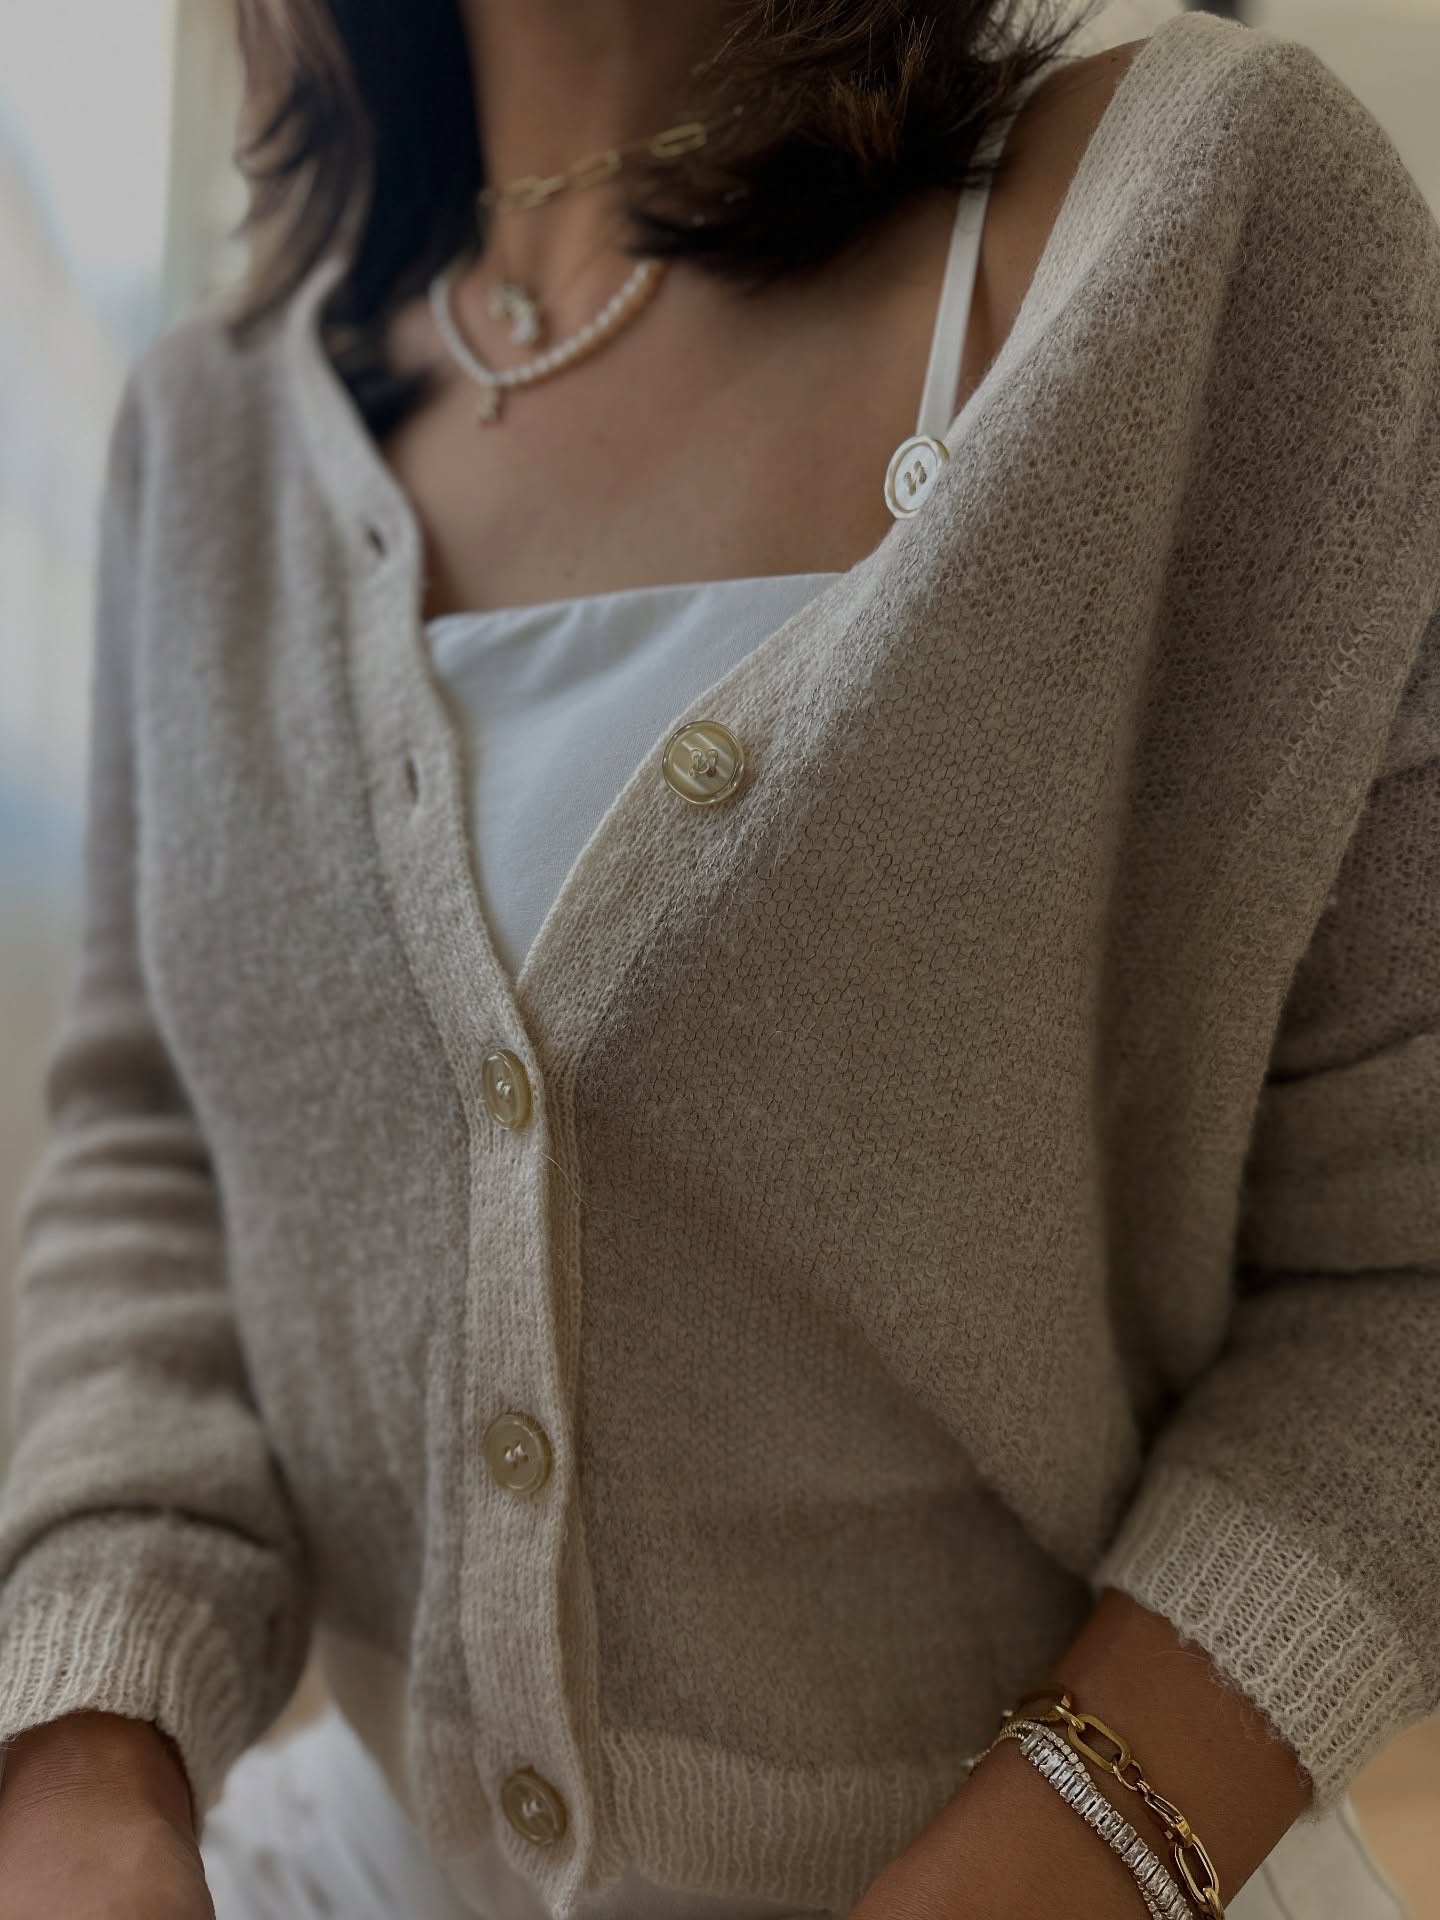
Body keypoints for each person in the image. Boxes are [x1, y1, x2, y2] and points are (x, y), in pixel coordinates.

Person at [0, 1, 1436, 1917]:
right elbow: (155, 1161)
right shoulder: (211, 430)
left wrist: (1047, 1859)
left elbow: (1403, 1271)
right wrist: (85, 1761)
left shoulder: (1202, 230)